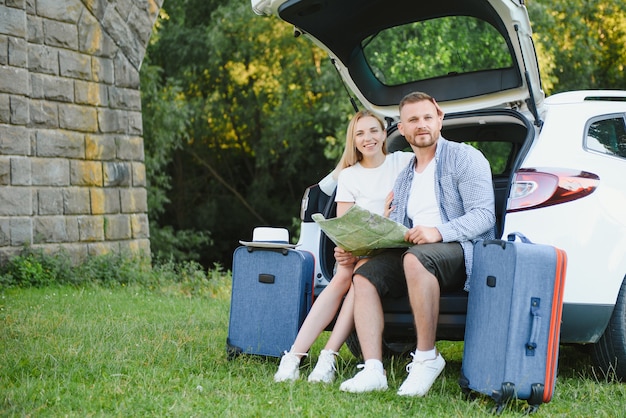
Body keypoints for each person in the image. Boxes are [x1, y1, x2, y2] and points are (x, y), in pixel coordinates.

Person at [339, 92, 495, 396]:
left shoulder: (464, 157)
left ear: (440, 118)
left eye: (427, 117)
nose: (421, 124)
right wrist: (357, 245)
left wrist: (437, 232)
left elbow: (484, 215)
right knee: (365, 275)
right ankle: (373, 368)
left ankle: (426, 357)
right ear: (402, 128)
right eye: (413, 120)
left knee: (415, 259)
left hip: (461, 249)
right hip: (413, 251)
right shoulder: (404, 176)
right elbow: (397, 227)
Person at [274, 110, 413, 383]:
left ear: (385, 134)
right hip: (358, 247)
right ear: (353, 140)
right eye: (360, 133)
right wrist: (343, 247)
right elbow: (345, 223)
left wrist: (384, 219)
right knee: (343, 275)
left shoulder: (403, 162)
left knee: (358, 272)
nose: (368, 138)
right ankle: (294, 357)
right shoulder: (349, 176)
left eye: (374, 130)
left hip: (389, 248)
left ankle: (327, 356)